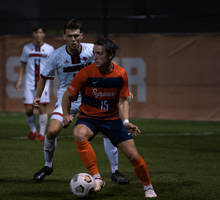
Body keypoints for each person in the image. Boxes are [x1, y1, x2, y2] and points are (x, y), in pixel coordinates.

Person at [32, 19, 129, 185]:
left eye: (76, 35)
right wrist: (38, 96)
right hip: (67, 97)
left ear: (81, 35)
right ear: (64, 37)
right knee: (52, 132)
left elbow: (111, 64)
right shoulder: (56, 55)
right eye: (70, 36)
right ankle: (48, 166)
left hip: (91, 96)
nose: (73, 39)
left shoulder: (93, 50)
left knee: (107, 130)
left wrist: (122, 85)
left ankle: (115, 170)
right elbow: (43, 77)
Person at [62, 37, 157, 197]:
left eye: (99, 53)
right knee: (78, 133)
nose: (95, 57)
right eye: (94, 53)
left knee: (133, 156)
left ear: (111, 55)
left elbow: (122, 101)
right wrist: (66, 115)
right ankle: (97, 177)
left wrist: (125, 121)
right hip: (88, 118)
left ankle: (148, 186)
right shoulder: (85, 74)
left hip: (111, 120)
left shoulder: (121, 74)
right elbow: (67, 95)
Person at [16, 24, 55, 141]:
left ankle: (42, 134)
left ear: (43, 34)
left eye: (40, 32)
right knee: (28, 109)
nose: (38, 35)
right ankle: (33, 130)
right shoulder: (26, 48)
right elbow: (22, 65)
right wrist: (19, 81)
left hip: (43, 83)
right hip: (29, 83)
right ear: (33, 34)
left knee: (42, 108)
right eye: (36, 32)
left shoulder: (50, 49)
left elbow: (53, 65)